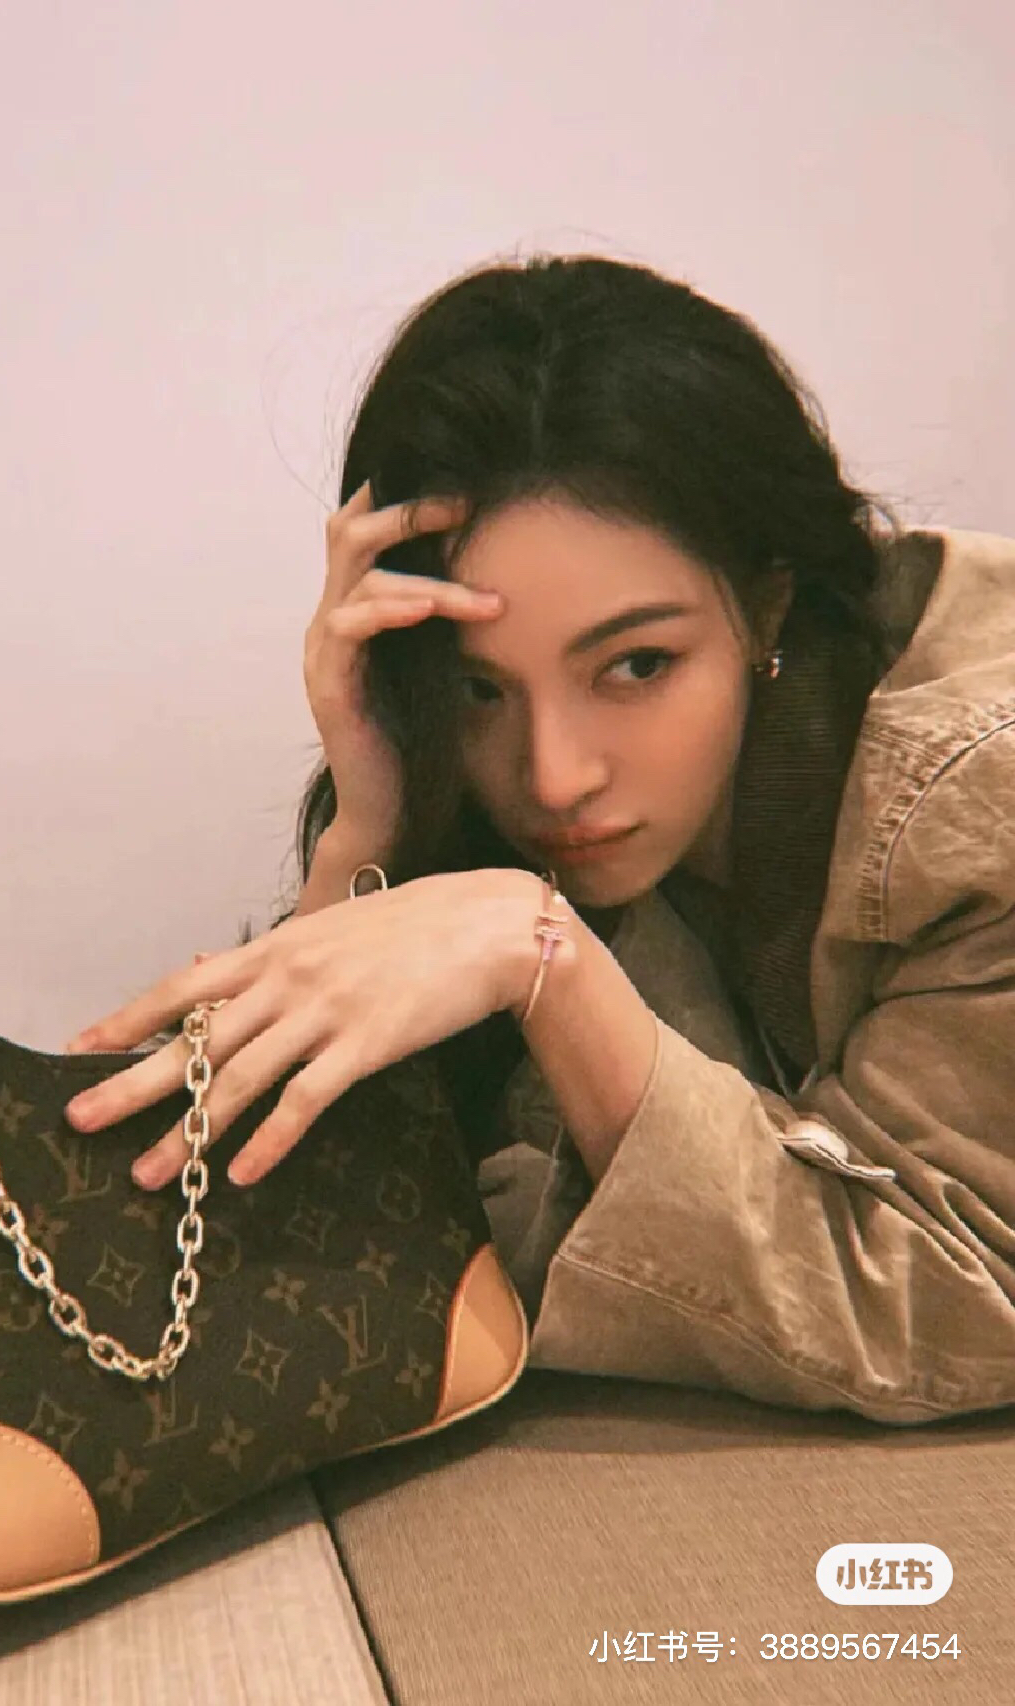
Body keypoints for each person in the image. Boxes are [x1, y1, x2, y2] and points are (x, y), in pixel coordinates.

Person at [63, 253, 1015, 1426]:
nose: (554, 775)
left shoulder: (977, 782)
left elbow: (944, 1299)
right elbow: (293, 1231)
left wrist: (540, 953)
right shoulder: (497, 807)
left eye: (636, 664)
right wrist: (374, 817)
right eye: (478, 689)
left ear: (768, 601)